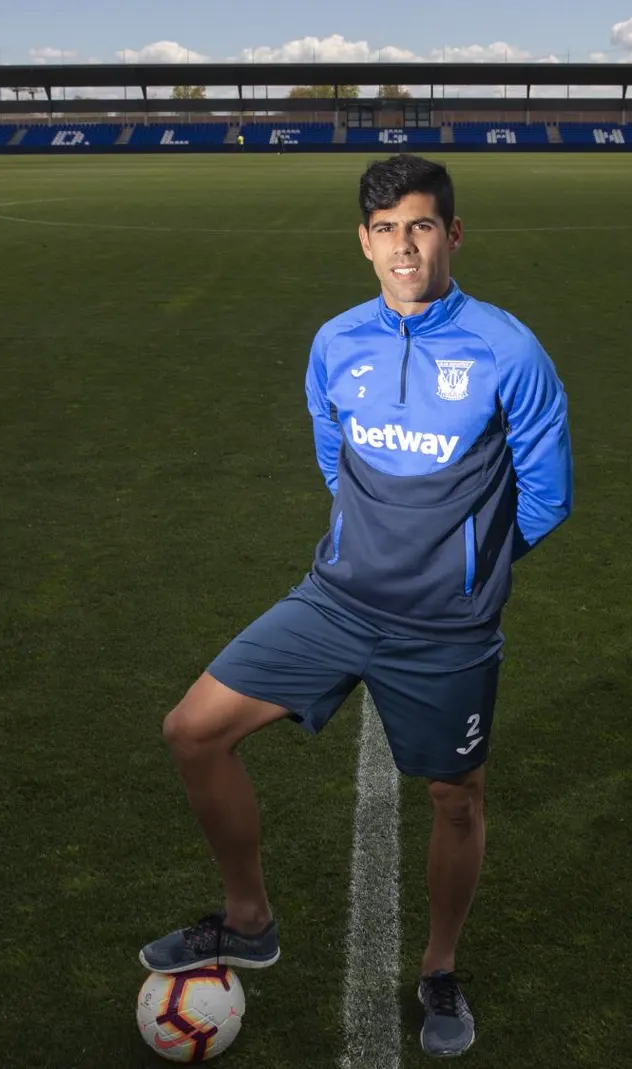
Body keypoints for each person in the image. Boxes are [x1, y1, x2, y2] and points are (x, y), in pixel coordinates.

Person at [140, 153, 573, 1058]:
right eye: (385, 230)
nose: (403, 246)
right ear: (362, 242)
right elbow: (333, 454)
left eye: (420, 225)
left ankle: (439, 965)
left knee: (457, 798)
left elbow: (547, 494)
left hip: (446, 629)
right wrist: (369, 545)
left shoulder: (507, 349)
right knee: (193, 729)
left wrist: (465, 570)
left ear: (453, 233)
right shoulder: (337, 341)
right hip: (334, 600)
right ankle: (249, 918)